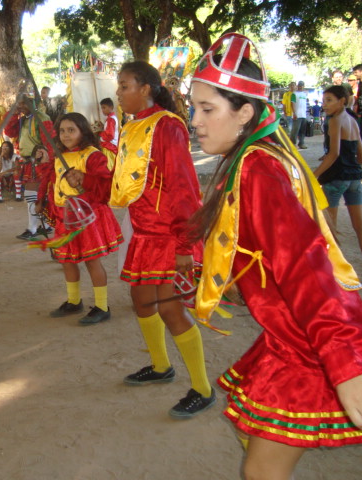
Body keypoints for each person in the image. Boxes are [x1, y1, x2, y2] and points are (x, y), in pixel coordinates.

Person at [189, 33, 362, 479]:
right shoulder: (255, 157)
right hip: (291, 335)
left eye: (207, 109)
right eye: (194, 108)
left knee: (261, 472)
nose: (195, 121)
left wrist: (345, 363)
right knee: (257, 442)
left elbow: (307, 267)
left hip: (307, 346)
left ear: (245, 113)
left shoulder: (259, 168)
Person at [110, 61, 215, 418]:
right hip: (143, 234)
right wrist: (88, 182)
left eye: (124, 85)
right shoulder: (131, 127)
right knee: (141, 301)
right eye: (118, 85)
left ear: (145, 89)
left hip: (170, 236)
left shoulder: (168, 126)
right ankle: (160, 366)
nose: (118, 92)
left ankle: (203, 389)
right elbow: (125, 181)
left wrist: (185, 245)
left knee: (171, 309)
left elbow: (183, 186)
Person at [36, 112, 122, 325]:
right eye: (62, 131)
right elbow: (53, 181)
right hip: (64, 217)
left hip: (87, 218)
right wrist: (42, 197)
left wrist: (85, 179)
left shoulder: (93, 155)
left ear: (83, 131)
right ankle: (74, 301)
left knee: (92, 261)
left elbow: (105, 186)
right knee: (66, 261)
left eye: (71, 130)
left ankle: (102, 306)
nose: (66, 135)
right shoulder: (60, 156)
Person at [313, 85, 362, 283]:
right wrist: (350, 168)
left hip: (335, 180)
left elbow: (333, 154)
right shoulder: (353, 121)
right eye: (323, 101)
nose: (324, 105)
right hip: (354, 178)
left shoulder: (335, 121)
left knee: (330, 230)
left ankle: (337, 276)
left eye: (329, 100)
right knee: (361, 227)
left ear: (342, 101)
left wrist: (313, 175)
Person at [4, 94, 55, 240]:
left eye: (23, 104)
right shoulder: (23, 120)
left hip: (39, 162)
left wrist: (47, 162)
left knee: (32, 195)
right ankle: (47, 225)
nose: (20, 107)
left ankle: (32, 229)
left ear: (32, 103)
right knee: (37, 195)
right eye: (19, 104)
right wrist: (14, 113)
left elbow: (49, 142)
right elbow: (9, 131)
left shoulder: (42, 118)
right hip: (28, 162)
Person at [97, 97, 119, 171]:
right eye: (102, 108)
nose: (102, 110)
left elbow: (110, 135)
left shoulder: (110, 119)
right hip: (111, 146)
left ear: (111, 107)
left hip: (109, 147)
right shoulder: (112, 118)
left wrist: (100, 133)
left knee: (109, 167)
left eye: (104, 107)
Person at [290, 80, 308, 148]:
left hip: (304, 115)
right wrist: (294, 113)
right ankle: (292, 143)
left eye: (302, 86)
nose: (301, 87)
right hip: (297, 115)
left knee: (302, 130)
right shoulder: (294, 94)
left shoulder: (304, 94)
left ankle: (301, 143)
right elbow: (292, 104)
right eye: (299, 86)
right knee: (295, 130)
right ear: (298, 86)